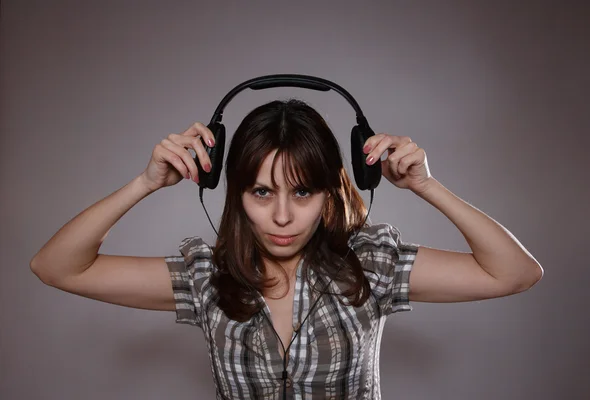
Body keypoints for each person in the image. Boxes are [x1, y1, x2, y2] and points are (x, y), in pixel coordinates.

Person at [30, 99, 543, 399]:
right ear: (234, 193)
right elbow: (55, 267)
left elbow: (514, 274)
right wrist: (145, 183)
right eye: (261, 191)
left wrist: (427, 186)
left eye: (302, 192)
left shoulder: (372, 266)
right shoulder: (205, 276)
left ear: (329, 191)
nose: (281, 216)